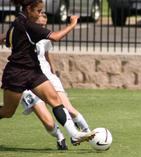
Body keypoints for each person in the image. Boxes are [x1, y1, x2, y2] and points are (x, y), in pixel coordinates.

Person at [0, 0, 95, 146]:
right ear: (29, 9)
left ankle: (75, 135)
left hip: (33, 72)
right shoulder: (28, 25)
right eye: (38, 11)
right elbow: (56, 37)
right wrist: (72, 24)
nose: (40, 14)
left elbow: (7, 40)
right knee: (7, 112)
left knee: (55, 101)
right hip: (16, 74)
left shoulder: (17, 22)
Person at [20, 13, 91, 150]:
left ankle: (88, 133)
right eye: (40, 14)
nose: (42, 21)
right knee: (48, 122)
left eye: (44, 19)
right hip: (27, 79)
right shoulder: (20, 30)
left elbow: (46, 56)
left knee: (68, 108)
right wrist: (72, 24)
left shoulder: (45, 37)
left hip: (46, 77)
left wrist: (53, 73)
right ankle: (59, 136)